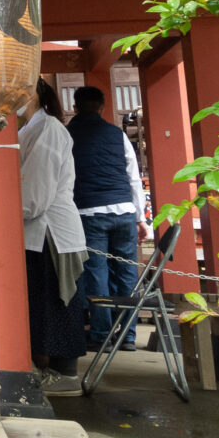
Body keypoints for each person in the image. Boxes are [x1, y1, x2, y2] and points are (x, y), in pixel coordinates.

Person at [18, 78, 87, 396]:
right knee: (43, 301)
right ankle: (49, 368)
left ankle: (65, 374)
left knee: (55, 300)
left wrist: (9, 213)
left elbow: (35, 194)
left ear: (32, 93)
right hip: (39, 231)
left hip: (50, 231)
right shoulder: (32, 129)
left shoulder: (48, 130)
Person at [68, 85, 148, 351]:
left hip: (90, 212)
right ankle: (128, 335)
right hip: (125, 211)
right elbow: (133, 176)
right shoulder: (117, 134)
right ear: (102, 107)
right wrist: (141, 218)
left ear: (75, 107)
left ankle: (101, 333)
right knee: (127, 271)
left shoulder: (68, 135)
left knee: (96, 272)